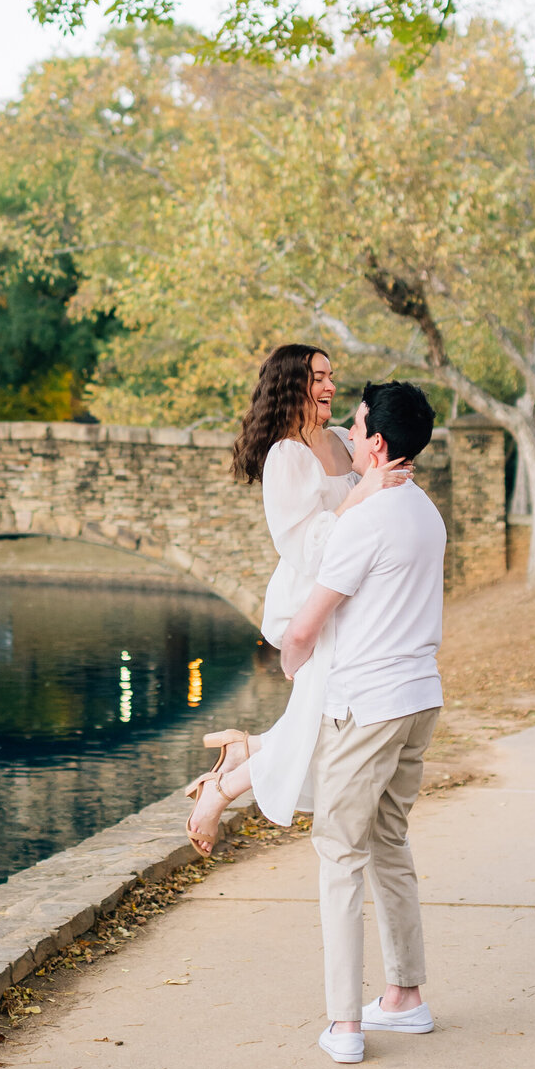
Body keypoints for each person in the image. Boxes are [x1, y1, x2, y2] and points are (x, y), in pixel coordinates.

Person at [191, 378, 446, 1066]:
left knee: (339, 855)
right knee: (389, 841)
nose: (350, 436)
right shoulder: (426, 511)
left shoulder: (366, 522)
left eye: (358, 428)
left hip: (368, 705)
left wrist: (295, 665)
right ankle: (404, 997)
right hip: (421, 698)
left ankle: (345, 1025)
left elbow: (302, 629)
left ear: (379, 444)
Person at [185, 344, 409, 852]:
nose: (330, 386)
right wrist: (362, 494)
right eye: (319, 378)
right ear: (292, 386)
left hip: (350, 604)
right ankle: (218, 791)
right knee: (322, 725)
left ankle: (244, 754)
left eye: (332, 376)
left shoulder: (336, 439)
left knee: (324, 722)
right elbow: (304, 547)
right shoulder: (286, 456)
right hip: (310, 602)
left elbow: (373, 499)